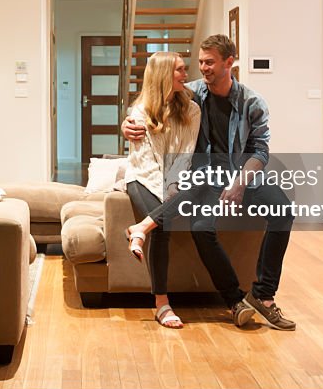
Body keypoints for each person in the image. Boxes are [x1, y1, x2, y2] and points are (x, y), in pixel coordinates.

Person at [122, 34, 296, 331]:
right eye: (201, 62)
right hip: (205, 178)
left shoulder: (252, 102)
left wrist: (240, 182)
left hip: (242, 174)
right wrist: (127, 123)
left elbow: (260, 151)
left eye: (210, 62)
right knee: (202, 228)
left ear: (229, 62)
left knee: (283, 209)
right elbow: (153, 99)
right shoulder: (192, 93)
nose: (203, 68)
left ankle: (264, 297)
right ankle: (234, 300)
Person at [122, 51, 200, 329]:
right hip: (141, 178)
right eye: (179, 70)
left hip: (173, 179)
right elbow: (145, 162)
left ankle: (140, 228)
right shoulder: (140, 112)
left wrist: (173, 186)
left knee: (191, 190)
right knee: (164, 229)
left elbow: (185, 154)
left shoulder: (192, 109)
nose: (185, 73)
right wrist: (166, 194)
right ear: (164, 75)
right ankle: (162, 305)